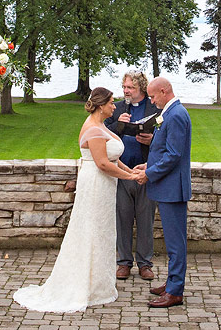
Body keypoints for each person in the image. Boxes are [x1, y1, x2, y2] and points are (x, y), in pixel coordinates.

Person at [13, 87, 146, 312]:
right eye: (112, 102)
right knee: (92, 231)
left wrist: (131, 172)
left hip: (105, 184)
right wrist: (129, 177)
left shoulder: (102, 126)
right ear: (101, 105)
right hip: (95, 183)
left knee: (102, 231)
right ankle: (84, 284)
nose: (115, 106)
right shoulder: (93, 129)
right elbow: (103, 164)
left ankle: (99, 284)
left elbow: (114, 158)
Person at [138, 76, 192, 308]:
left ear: (163, 91)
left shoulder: (177, 115)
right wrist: (148, 166)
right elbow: (164, 149)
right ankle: (171, 283)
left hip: (173, 188)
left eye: (152, 96)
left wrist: (150, 174)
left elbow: (173, 155)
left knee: (175, 242)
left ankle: (175, 291)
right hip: (167, 186)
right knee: (172, 241)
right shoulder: (170, 113)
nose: (151, 101)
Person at [105, 71, 160, 281]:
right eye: (125, 87)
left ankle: (145, 264)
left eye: (131, 88)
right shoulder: (117, 108)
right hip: (122, 171)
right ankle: (124, 263)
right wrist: (119, 124)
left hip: (145, 172)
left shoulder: (155, 108)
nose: (126, 91)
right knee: (123, 218)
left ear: (142, 89)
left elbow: (164, 138)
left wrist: (151, 140)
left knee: (146, 219)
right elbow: (102, 131)